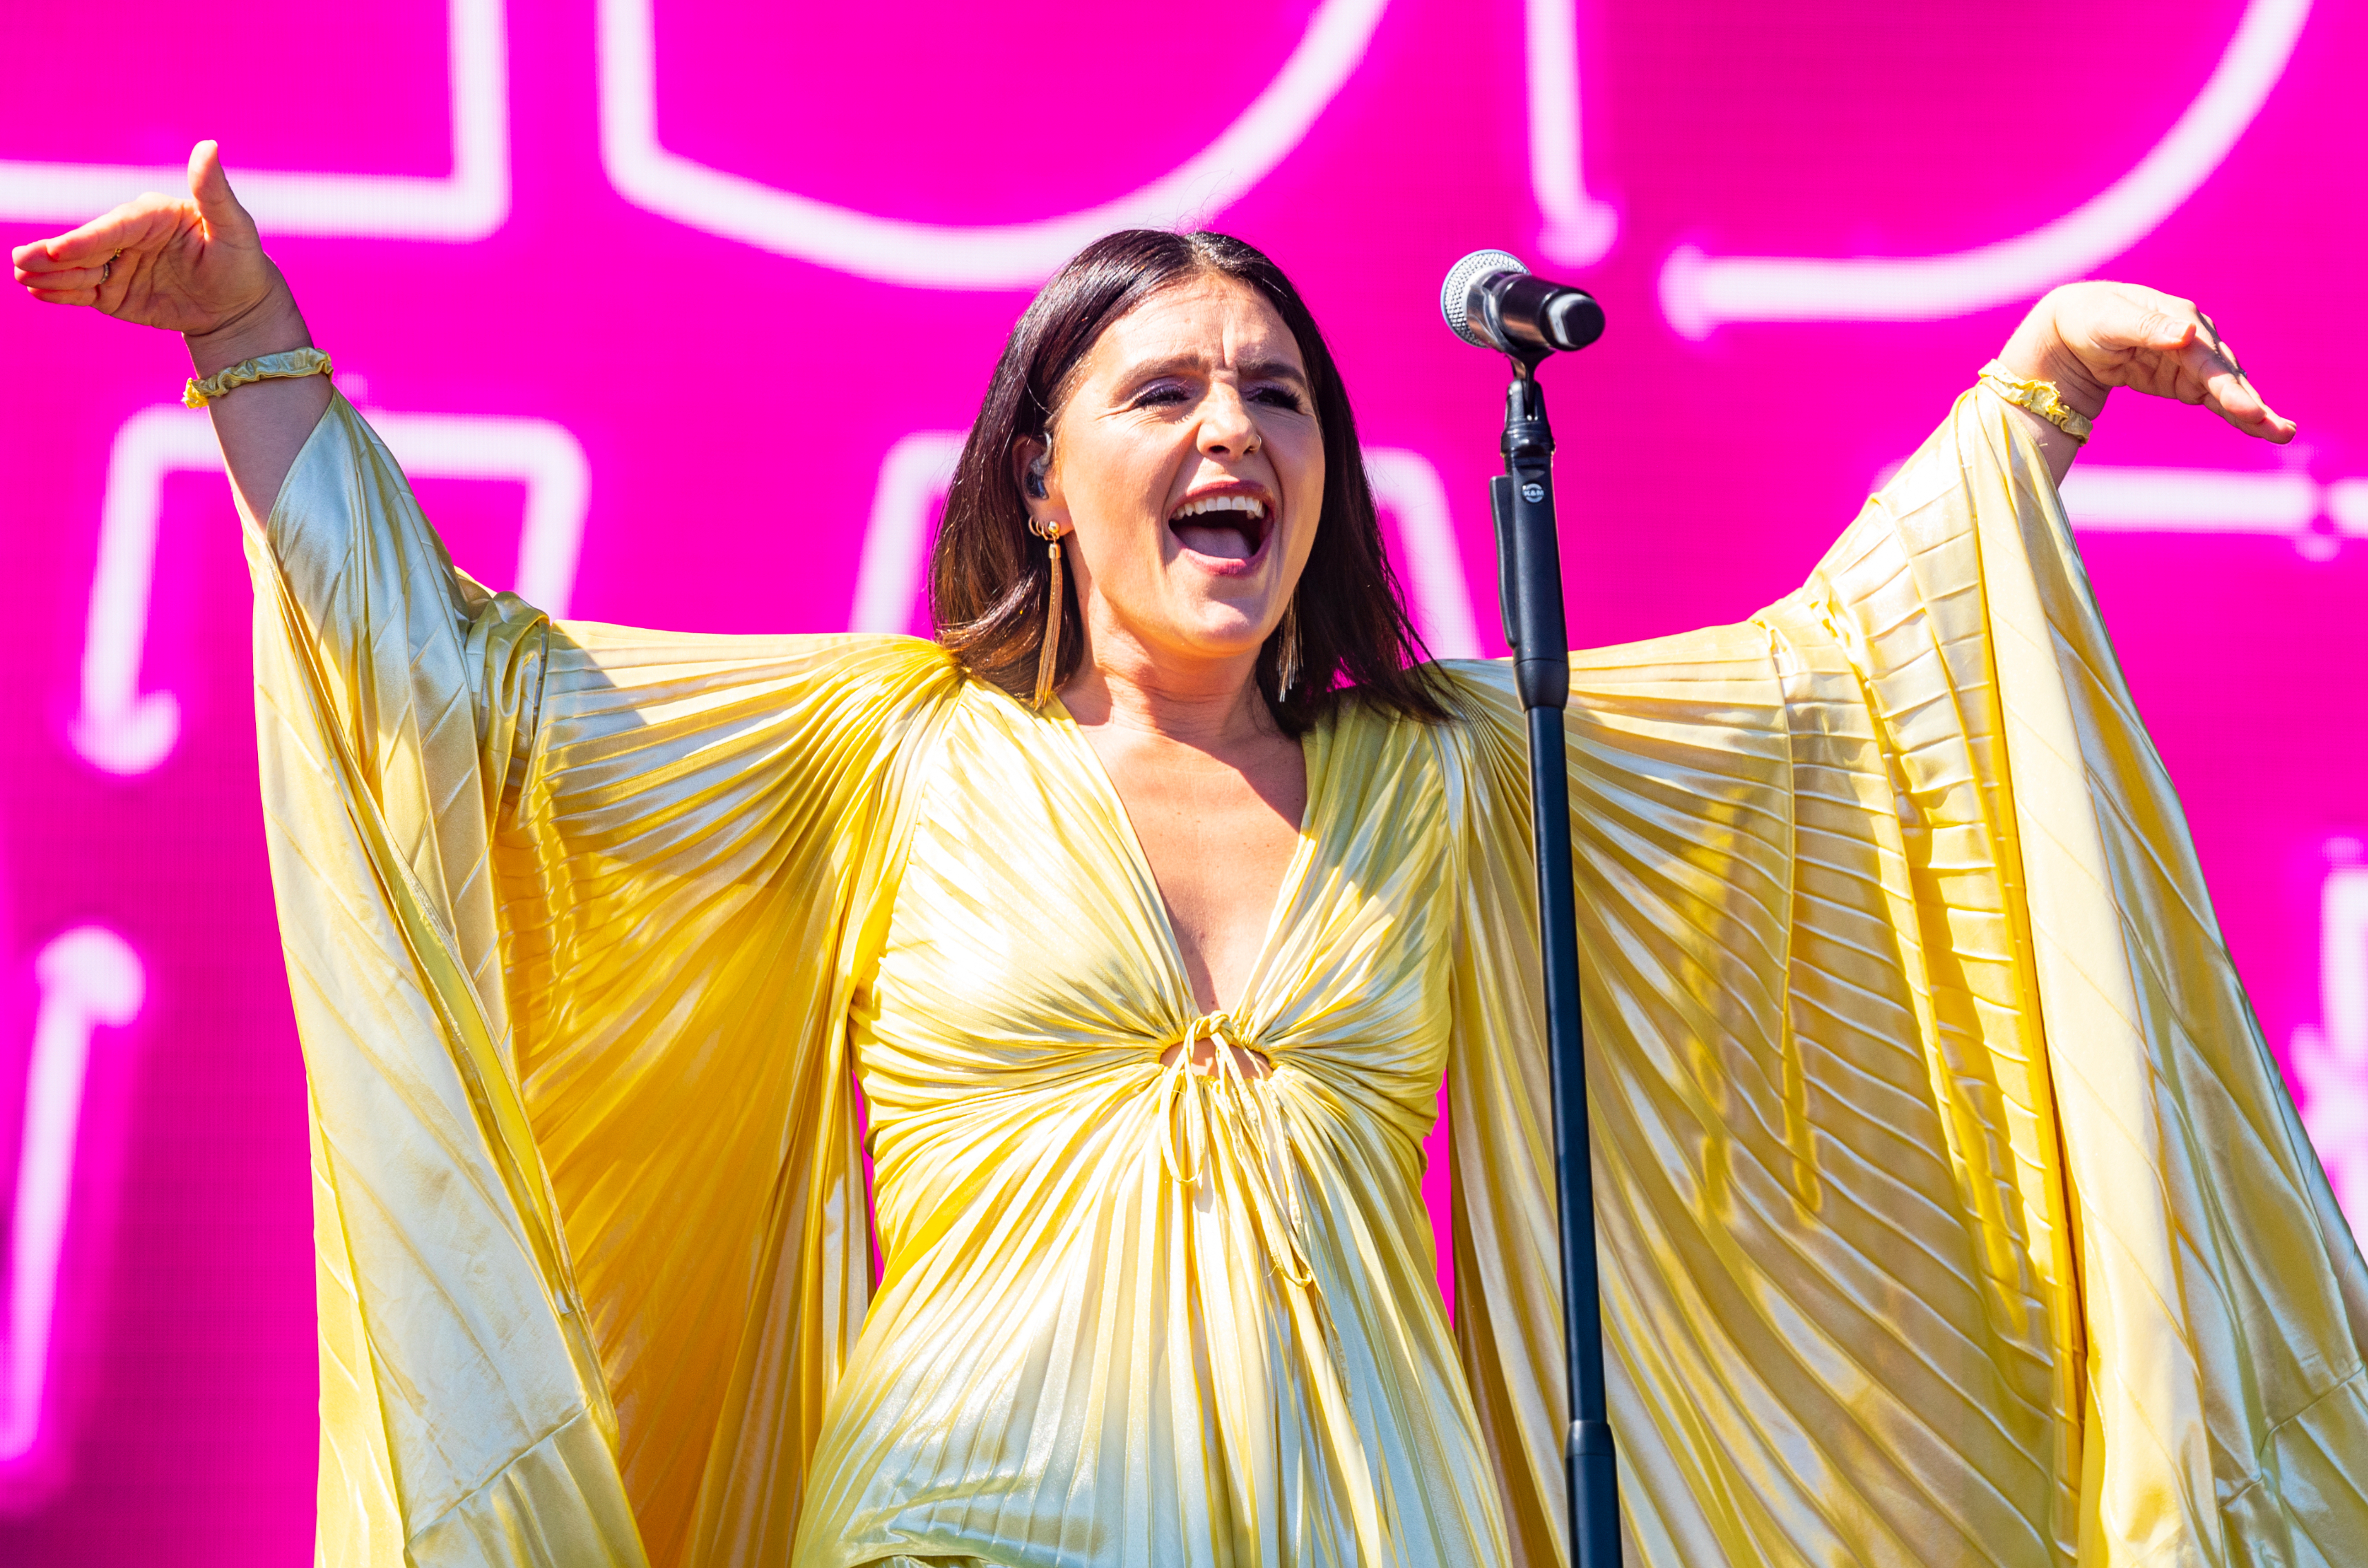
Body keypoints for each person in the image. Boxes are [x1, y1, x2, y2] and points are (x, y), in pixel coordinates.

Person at [15, 142, 2367, 1568]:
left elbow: (1836, 695)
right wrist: (249, 343)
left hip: (1384, 1524)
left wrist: (2036, 387)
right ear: (1040, 475)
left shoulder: (1446, 766)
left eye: (1274, 394)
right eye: (1161, 390)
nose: (1232, 424)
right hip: (978, 1518)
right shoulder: (883, 751)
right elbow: (471, 698)